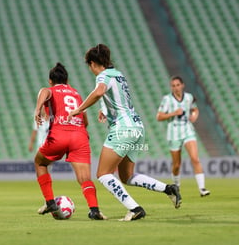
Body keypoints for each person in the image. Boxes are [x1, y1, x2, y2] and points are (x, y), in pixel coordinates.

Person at [68, 44, 181, 221]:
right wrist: (104, 109)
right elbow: (116, 98)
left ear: (92, 63)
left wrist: (78, 110)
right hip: (137, 127)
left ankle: (135, 208)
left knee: (103, 174)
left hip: (123, 129)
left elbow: (99, 92)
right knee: (127, 176)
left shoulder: (103, 75)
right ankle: (168, 189)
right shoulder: (119, 75)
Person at [34, 62, 106, 220]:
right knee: (85, 178)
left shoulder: (49, 89)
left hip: (59, 134)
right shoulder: (76, 94)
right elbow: (85, 121)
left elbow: (45, 92)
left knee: (40, 163)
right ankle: (94, 210)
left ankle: (50, 201)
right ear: (67, 80)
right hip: (79, 136)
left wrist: (38, 108)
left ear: (50, 81)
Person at [156, 76, 210, 197]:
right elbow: (159, 117)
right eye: (173, 86)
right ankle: (177, 185)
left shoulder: (189, 97)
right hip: (173, 132)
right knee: (176, 165)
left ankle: (202, 188)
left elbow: (195, 109)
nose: (176, 88)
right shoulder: (167, 99)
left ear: (182, 85)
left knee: (195, 158)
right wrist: (173, 113)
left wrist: (194, 115)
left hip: (187, 130)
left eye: (177, 85)